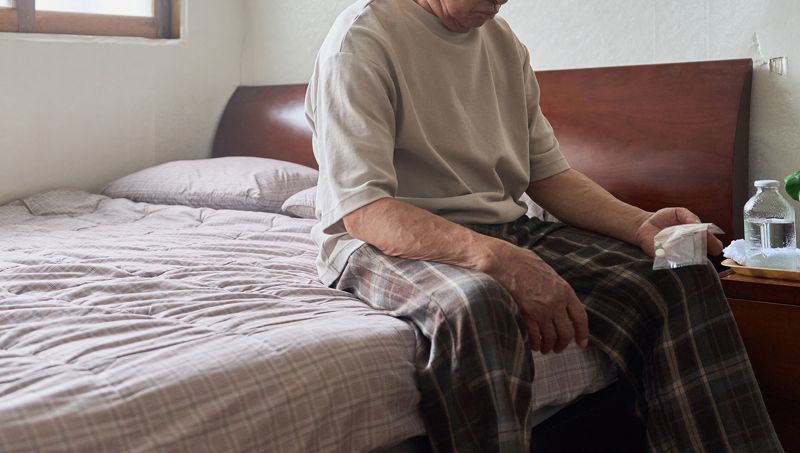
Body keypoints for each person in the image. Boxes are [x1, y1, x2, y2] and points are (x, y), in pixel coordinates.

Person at [305, 0, 784, 451]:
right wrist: (499, 260)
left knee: (679, 272)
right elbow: (365, 210)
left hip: (502, 227)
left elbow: (548, 175)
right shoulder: (361, 40)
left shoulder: (502, 43)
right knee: (481, 304)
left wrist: (640, 225)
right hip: (384, 239)